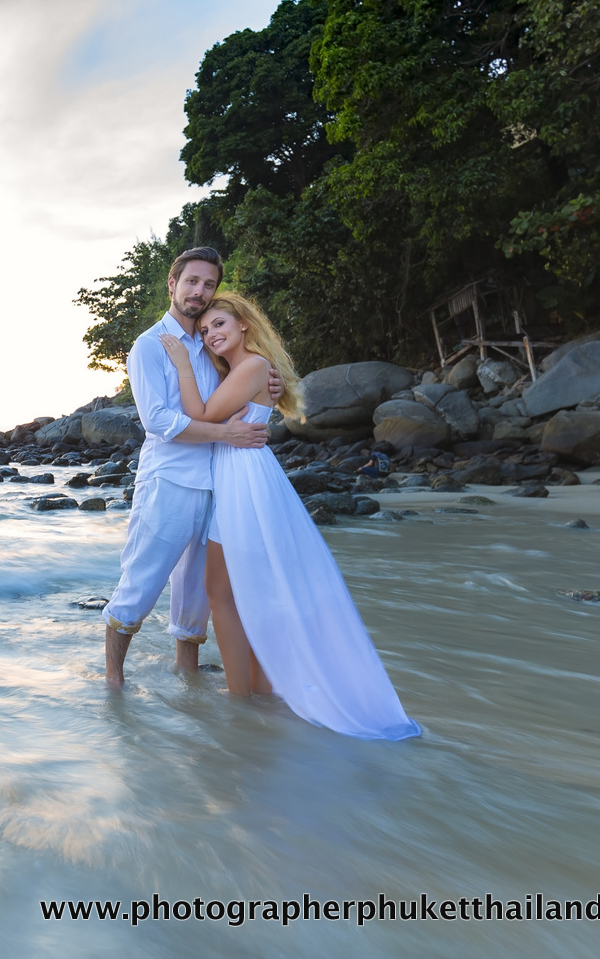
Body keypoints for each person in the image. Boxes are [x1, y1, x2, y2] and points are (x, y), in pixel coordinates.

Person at [160, 291, 420, 741]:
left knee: (228, 591)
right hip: (236, 479)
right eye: (204, 331)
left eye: (219, 324)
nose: (211, 334)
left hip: (246, 482)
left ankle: (243, 696)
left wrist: (183, 363)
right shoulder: (248, 370)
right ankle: (254, 691)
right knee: (232, 590)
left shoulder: (254, 366)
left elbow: (198, 416)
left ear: (244, 324)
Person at [101, 247, 282, 690]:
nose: (199, 291)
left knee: (196, 593)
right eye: (192, 281)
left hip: (219, 482)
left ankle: (189, 676)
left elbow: (242, 386)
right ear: (172, 284)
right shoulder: (150, 345)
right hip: (171, 481)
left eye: (208, 284)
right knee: (143, 578)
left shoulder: (212, 345)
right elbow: (159, 422)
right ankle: (112, 683)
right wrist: (226, 435)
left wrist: (268, 384)